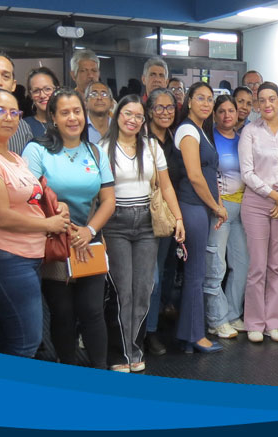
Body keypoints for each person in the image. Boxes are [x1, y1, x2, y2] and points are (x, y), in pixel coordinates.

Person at [0, 89, 70, 357]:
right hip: (6, 258)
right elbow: (0, 216)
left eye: (14, 112)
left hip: (28, 257)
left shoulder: (13, 157)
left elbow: (30, 199)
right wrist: (48, 225)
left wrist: (56, 208)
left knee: (11, 338)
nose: (8, 118)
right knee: (26, 342)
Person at [22, 88, 116, 369]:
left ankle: (100, 374)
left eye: (77, 111)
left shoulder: (95, 152)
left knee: (92, 310)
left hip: (89, 241)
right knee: (62, 312)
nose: (72, 118)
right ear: (53, 117)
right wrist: (59, 218)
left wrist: (89, 231)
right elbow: (29, 197)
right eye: (64, 112)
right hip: (54, 241)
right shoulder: (36, 150)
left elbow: (108, 200)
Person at [101, 94, 184, 372]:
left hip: (147, 222)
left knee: (144, 288)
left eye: (138, 116)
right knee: (121, 290)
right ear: (117, 115)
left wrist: (178, 218)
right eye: (128, 113)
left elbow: (166, 186)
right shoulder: (102, 148)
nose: (133, 120)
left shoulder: (151, 147)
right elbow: (98, 192)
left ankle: (135, 350)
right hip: (115, 223)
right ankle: (119, 354)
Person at [240, 82, 278, 343]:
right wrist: (274, 196)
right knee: (257, 267)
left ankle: (274, 322)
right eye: (262, 100)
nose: (267, 104)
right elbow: (247, 172)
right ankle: (254, 322)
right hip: (257, 202)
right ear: (257, 104)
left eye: (272, 99)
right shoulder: (250, 132)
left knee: (276, 266)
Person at [174, 82, 226, 353]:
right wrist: (216, 206)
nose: (206, 103)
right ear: (189, 101)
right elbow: (195, 176)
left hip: (202, 207)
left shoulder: (201, 130)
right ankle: (195, 336)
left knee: (197, 272)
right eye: (200, 98)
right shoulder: (187, 130)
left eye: (210, 99)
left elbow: (209, 173)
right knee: (195, 273)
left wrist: (217, 204)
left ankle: (189, 334)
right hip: (192, 206)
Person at [202, 95, 248, 339]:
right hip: (219, 209)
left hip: (242, 209)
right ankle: (216, 320)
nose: (227, 115)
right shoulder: (209, 139)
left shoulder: (242, 140)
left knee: (242, 264)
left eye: (231, 110)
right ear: (215, 114)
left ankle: (232, 314)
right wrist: (216, 204)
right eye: (221, 111)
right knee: (216, 266)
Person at [144, 88, 181, 355]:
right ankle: (145, 333)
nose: (165, 112)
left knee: (166, 270)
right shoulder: (141, 140)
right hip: (146, 216)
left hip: (169, 216)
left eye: (170, 108)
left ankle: (153, 328)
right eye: (160, 107)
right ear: (150, 111)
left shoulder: (175, 139)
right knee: (151, 278)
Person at [25, 67, 60, 139]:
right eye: (36, 91)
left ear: (57, 90)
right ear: (30, 95)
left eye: (47, 89)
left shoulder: (67, 121)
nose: (42, 95)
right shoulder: (24, 126)